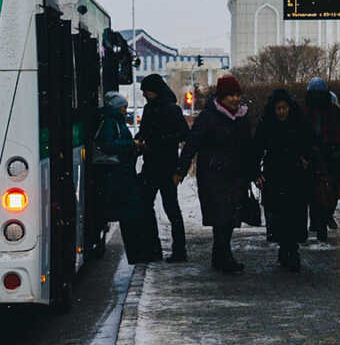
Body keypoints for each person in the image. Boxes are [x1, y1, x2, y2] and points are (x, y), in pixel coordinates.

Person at [175, 74, 254, 274]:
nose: (235, 99)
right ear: (221, 98)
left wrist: (254, 171)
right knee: (222, 216)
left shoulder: (242, 118)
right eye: (230, 96)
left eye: (237, 95)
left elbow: (248, 147)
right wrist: (181, 170)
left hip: (236, 176)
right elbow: (192, 144)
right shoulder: (209, 117)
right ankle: (224, 256)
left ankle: (220, 255)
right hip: (213, 175)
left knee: (230, 218)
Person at [94, 92, 159, 264]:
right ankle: (137, 255)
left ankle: (137, 254)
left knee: (130, 216)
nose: (125, 109)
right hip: (119, 176)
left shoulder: (114, 121)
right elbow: (107, 145)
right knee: (130, 216)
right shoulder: (110, 122)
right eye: (123, 106)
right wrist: (132, 145)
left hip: (123, 174)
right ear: (116, 107)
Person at [252, 89, 313, 271]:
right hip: (277, 174)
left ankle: (290, 249)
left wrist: (306, 159)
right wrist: (256, 172)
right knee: (281, 213)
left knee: (292, 213)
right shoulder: (270, 124)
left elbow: (310, 143)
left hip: (292, 174)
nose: (281, 112)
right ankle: (287, 248)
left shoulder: (297, 123)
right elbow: (256, 148)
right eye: (278, 108)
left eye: (284, 108)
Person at [137, 73, 189, 262]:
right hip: (153, 165)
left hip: (165, 166)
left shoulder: (171, 110)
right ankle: (154, 248)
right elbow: (143, 132)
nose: (145, 95)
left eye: (147, 92)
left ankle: (176, 250)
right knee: (152, 207)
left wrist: (160, 141)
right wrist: (139, 142)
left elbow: (184, 134)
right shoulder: (149, 109)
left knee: (169, 208)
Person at [304, 77, 340, 243]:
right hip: (326, 158)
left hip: (323, 158)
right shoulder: (332, 111)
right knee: (326, 193)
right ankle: (322, 221)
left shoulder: (307, 111)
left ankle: (320, 222)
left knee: (319, 193)